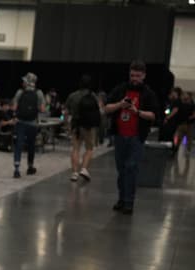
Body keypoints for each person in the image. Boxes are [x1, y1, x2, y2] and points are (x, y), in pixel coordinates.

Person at [104, 60, 158, 215]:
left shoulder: (148, 93)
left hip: (136, 138)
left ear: (144, 76)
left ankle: (129, 202)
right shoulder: (121, 89)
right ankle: (121, 199)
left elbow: (154, 115)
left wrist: (137, 111)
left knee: (131, 169)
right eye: (132, 75)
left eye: (138, 76)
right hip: (120, 137)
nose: (134, 78)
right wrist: (120, 105)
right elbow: (107, 108)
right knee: (121, 170)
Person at [64, 74, 102, 182]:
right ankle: (84, 169)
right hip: (88, 126)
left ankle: (74, 173)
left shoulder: (73, 95)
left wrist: (66, 125)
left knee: (76, 148)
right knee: (89, 148)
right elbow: (99, 110)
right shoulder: (93, 95)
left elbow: (66, 112)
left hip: (75, 125)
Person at [11, 72, 46, 178]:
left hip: (20, 122)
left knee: (19, 145)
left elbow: (14, 107)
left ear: (26, 82)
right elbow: (42, 109)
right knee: (31, 145)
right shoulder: (39, 93)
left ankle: (17, 168)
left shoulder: (20, 92)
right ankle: (30, 167)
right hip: (33, 123)